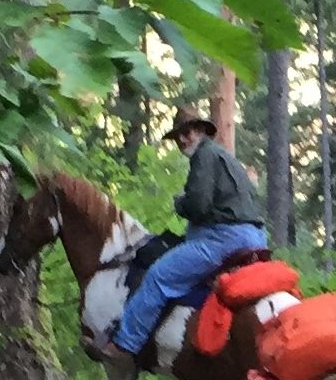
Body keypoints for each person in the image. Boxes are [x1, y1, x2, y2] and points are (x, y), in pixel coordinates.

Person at [93, 105, 267, 361]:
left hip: (223, 239)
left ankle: (124, 345)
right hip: (256, 238)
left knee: (159, 276)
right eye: (178, 136)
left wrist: (179, 202)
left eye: (188, 132)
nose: (183, 140)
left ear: (201, 131)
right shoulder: (225, 158)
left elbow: (198, 205)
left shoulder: (204, 156)